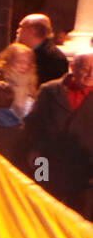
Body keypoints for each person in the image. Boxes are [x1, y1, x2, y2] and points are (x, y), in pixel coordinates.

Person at [25, 53, 93, 218]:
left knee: (80, 219)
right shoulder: (49, 91)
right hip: (47, 162)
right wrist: (34, 153)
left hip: (85, 169)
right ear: (73, 67)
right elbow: (34, 124)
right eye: (85, 69)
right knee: (43, 209)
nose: (91, 74)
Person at [15, 13, 67, 85]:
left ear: (32, 30)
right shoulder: (27, 52)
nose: (17, 31)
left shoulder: (53, 58)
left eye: (21, 27)